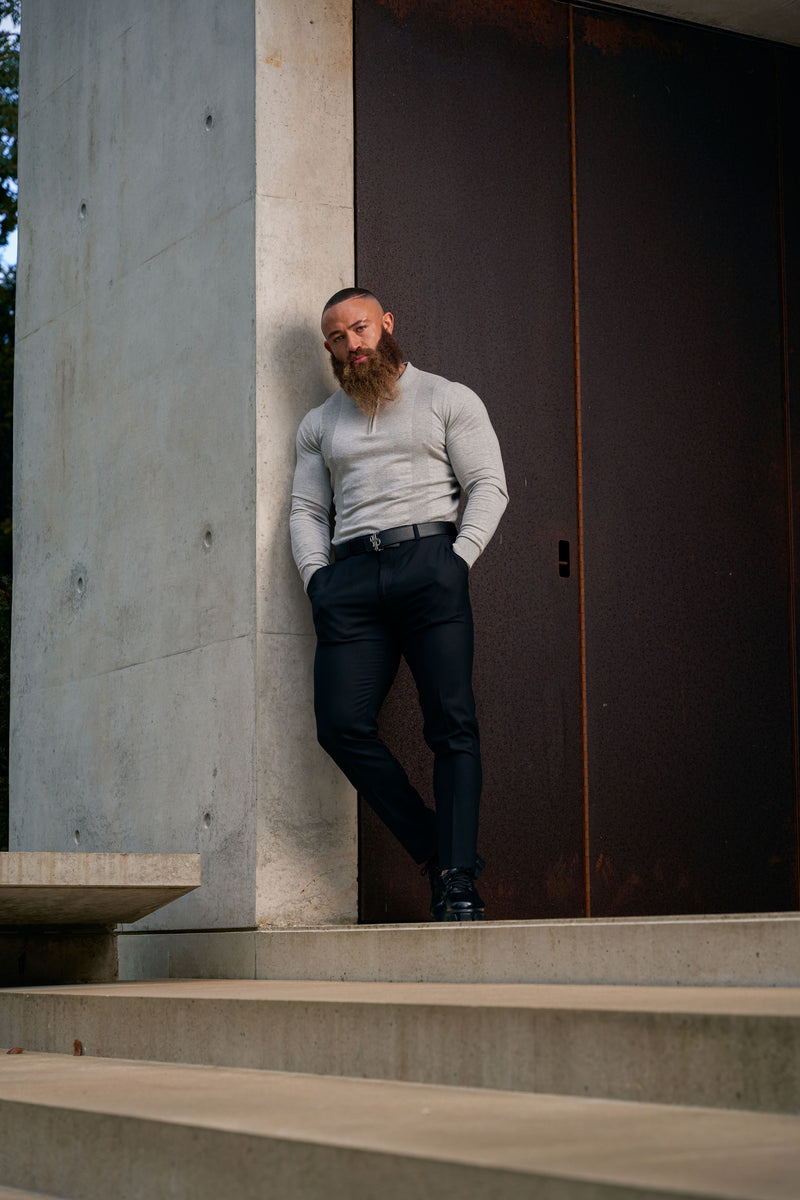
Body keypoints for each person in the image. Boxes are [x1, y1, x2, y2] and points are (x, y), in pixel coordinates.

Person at [290, 287, 508, 920]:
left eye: (360, 329)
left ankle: (458, 884)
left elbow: (488, 486)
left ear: (385, 325)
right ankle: (437, 850)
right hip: (351, 580)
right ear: (328, 347)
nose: (351, 345)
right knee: (340, 726)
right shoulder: (320, 423)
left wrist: (456, 561)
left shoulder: (448, 397)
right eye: (336, 337)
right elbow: (307, 509)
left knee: (451, 726)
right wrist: (316, 579)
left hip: (428, 566)